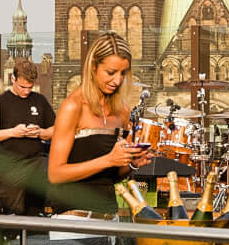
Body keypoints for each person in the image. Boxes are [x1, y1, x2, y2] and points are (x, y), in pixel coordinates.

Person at [47, 33, 151, 216]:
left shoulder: (122, 111)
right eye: (111, 73)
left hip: (109, 217)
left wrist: (131, 164)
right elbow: (55, 174)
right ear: (93, 67)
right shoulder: (73, 106)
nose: (117, 80)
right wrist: (109, 159)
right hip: (72, 218)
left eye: (123, 73)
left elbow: (110, 176)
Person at [0, 57, 54, 215]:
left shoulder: (39, 100)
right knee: (13, 214)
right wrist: (13, 132)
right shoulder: (1, 102)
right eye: (22, 87)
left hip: (36, 165)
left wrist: (40, 133)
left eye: (30, 87)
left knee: (35, 215)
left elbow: (56, 129)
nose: (26, 91)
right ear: (13, 79)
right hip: (9, 169)